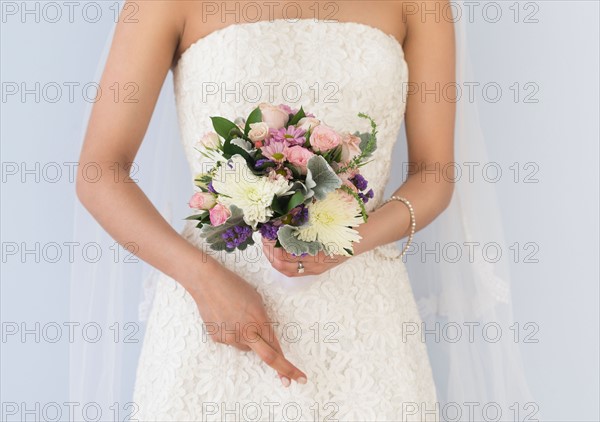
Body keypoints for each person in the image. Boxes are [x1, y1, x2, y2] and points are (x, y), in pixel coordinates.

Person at [76, 1, 455, 420]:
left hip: (363, 317)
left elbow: (434, 174)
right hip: (215, 312)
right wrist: (203, 280)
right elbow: (99, 173)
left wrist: (348, 241)